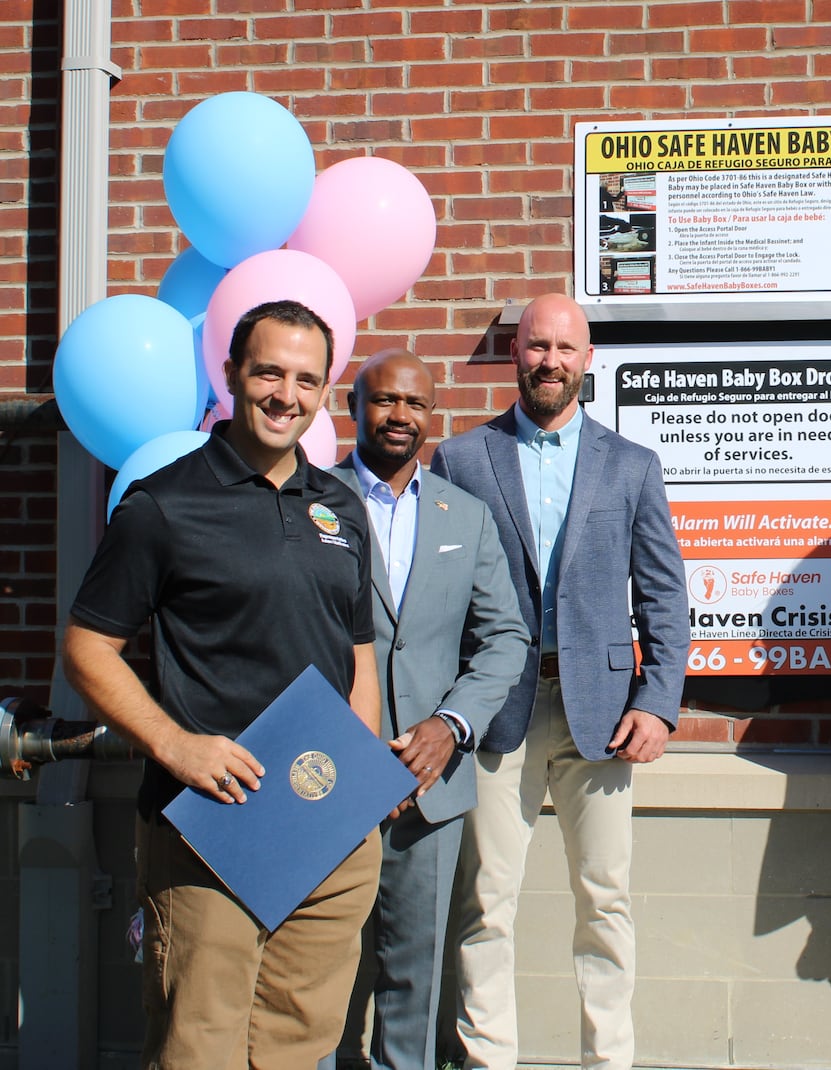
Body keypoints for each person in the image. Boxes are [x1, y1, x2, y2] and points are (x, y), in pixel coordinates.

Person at [62, 299, 382, 1067]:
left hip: (325, 823)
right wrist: (177, 748)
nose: (287, 394)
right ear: (233, 374)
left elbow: (360, 656)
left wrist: (360, 784)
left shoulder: (340, 506)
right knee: (198, 1046)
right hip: (211, 823)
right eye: (269, 371)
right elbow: (87, 648)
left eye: (308, 379)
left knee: (296, 1047)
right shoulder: (165, 505)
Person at [430, 292, 689, 1070]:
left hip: (603, 715)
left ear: (588, 360)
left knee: (605, 902)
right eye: (538, 347)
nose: (551, 362)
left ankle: (607, 1061)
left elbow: (663, 593)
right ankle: (487, 1060)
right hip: (493, 712)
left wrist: (660, 703)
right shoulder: (462, 460)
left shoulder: (631, 465)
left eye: (566, 349)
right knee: (485, 904)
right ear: (516, 354)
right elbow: (438, 596)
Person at [320, 350, 529, 1070]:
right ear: (355, 407)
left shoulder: (463, 516)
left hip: (429, 786)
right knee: (319, 984)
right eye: (384, 400)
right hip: (330, 782)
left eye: (415, 403)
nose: (400, 415)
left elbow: (506, 635)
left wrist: (451, 727)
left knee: (414, 984)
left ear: (431, 414)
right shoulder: (311, 504)